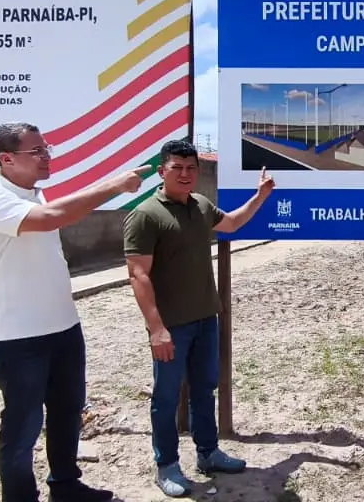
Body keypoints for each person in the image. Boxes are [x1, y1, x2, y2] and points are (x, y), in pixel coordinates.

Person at [0, 121, 151, 502]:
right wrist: (114, 186)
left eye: (46, 149)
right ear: (6, 159)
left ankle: (65, 486)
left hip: (63, 329)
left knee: (67, 413)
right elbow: (51, 218)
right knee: (23, 427)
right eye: (37, 151)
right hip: (19, 339)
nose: (46, 157)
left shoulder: (35, 194)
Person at [121, 139, 276, 498]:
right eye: (177, 168)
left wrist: (261, 196)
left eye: (191, 168)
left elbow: (232, 223)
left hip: (206, 318)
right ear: (162, 171)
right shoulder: (145, 215)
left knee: (204, 389)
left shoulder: (201, 205)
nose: (185, 174)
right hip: (171, 326)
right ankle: (167, 465)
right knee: (166, 397)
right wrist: (156, 329)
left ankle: (208, 453)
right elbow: (137, 275)